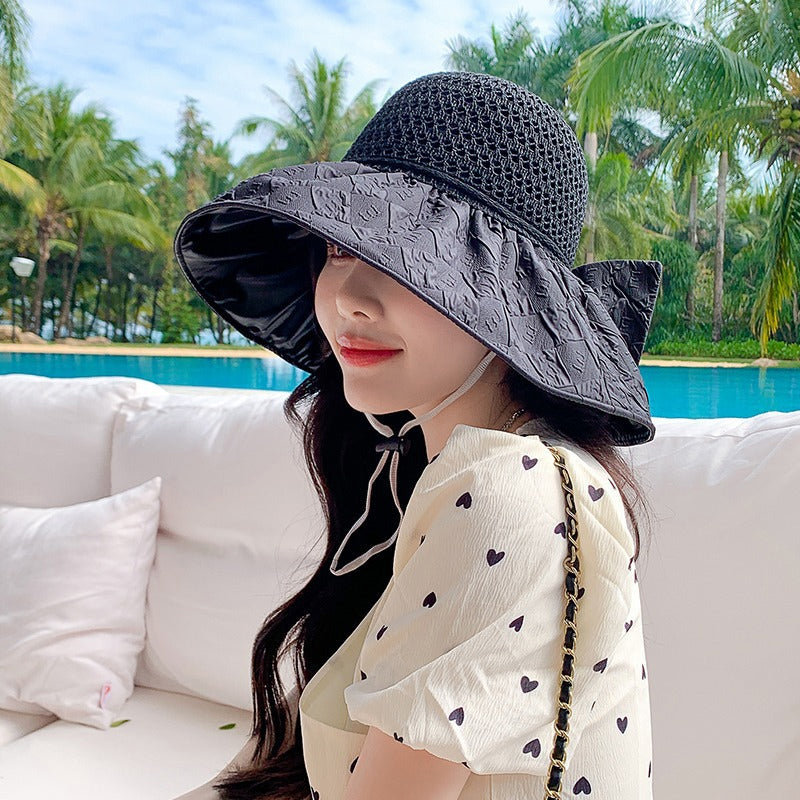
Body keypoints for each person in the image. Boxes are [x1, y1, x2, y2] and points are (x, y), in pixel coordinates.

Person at [173, 71, 662, 800]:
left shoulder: (509, 492)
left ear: (507, 297)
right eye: (338, 250)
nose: (350, 298)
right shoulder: (441, 477)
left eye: (407, 260)